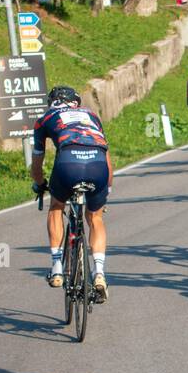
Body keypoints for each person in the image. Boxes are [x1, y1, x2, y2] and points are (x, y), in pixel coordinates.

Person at [30, 85, 114, 302]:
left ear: (52, 103)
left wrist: (39, 183)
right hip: (98, 165)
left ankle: (57, 266)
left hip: (68, 163)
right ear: (76, 102)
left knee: (56, 207)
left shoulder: (44, 119)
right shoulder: (92, 115)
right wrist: (107, 188)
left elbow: (37, 163)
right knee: (95, 217)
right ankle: (99, 272)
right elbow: (106, 156)